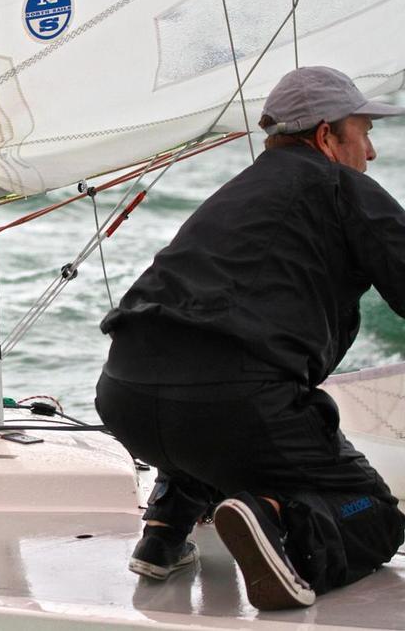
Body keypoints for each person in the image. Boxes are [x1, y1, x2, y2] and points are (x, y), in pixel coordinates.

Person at [95, 66, 405, 610]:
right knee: (374, 517)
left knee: (202, 386)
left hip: (124, 398)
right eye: (365, 132)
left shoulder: (235, 194)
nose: (371, 153)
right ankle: (275, 516)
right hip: (236, 405)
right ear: (327, 135)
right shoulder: (342, 186)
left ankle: (165, 526)